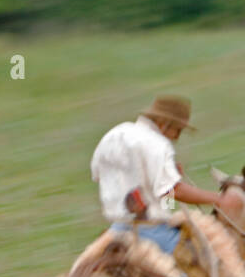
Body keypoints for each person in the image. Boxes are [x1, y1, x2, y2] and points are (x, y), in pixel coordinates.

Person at [89, 95, 228, 254]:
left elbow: (99, 176)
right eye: (178, 130)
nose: (176, 137)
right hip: (152, 232)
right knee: (206, 258)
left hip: (116, 229)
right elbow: (177, 191)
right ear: (164, 124)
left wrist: (165, 176)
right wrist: (219, 199)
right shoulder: (158, 145)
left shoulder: (113, 135)